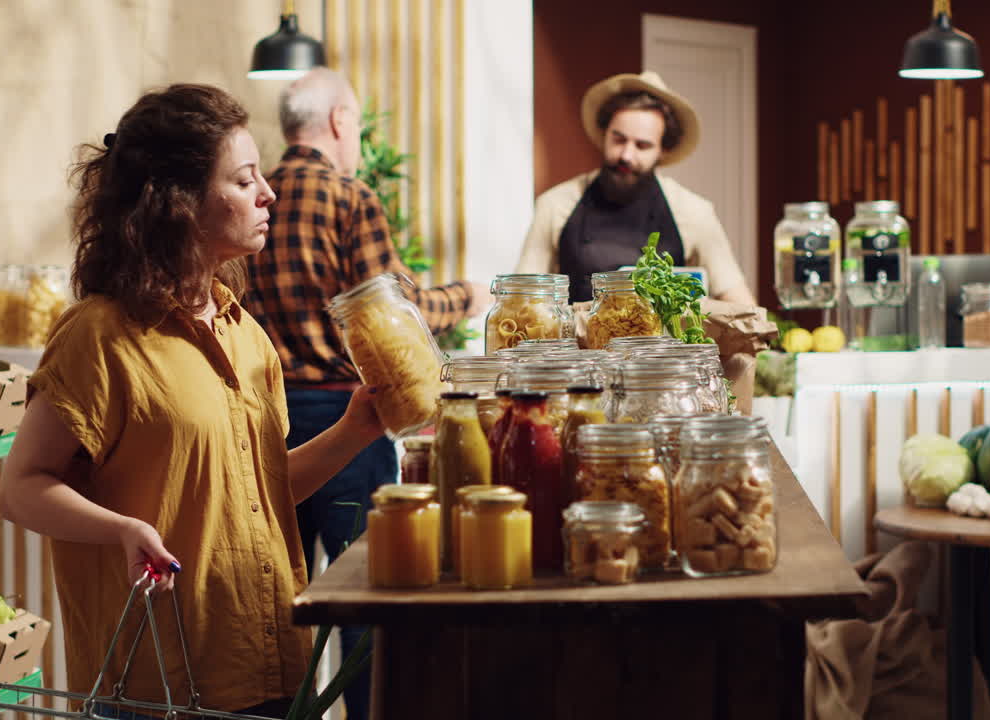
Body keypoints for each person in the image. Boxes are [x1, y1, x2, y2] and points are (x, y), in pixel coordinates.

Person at [0, 84, 385, 718]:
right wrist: (122, 530)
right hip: (164, 685)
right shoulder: (100, 334)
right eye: (243, 179)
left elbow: (258, 493)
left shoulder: (246, 334)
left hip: (271, 663)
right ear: (179, 205)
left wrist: (354, 430)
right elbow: (20, 487)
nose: (269, 193)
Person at [243, 66, 490, 719]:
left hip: (264, 421)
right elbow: (396, 311)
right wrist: (469, 295)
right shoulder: (349, 198)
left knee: (273, 600)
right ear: (340, 121)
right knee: (366, 605)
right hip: (350, 421)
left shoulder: (252, 200)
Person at [517, 70, 758, 306]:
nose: (626, 155)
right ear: (605, 134)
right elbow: (522, 298)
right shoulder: (555, 204)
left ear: (663, 150)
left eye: (642, 146)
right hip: (577, 344)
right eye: (619, 139)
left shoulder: (695, 212)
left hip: (661, 346)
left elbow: (739, 302)